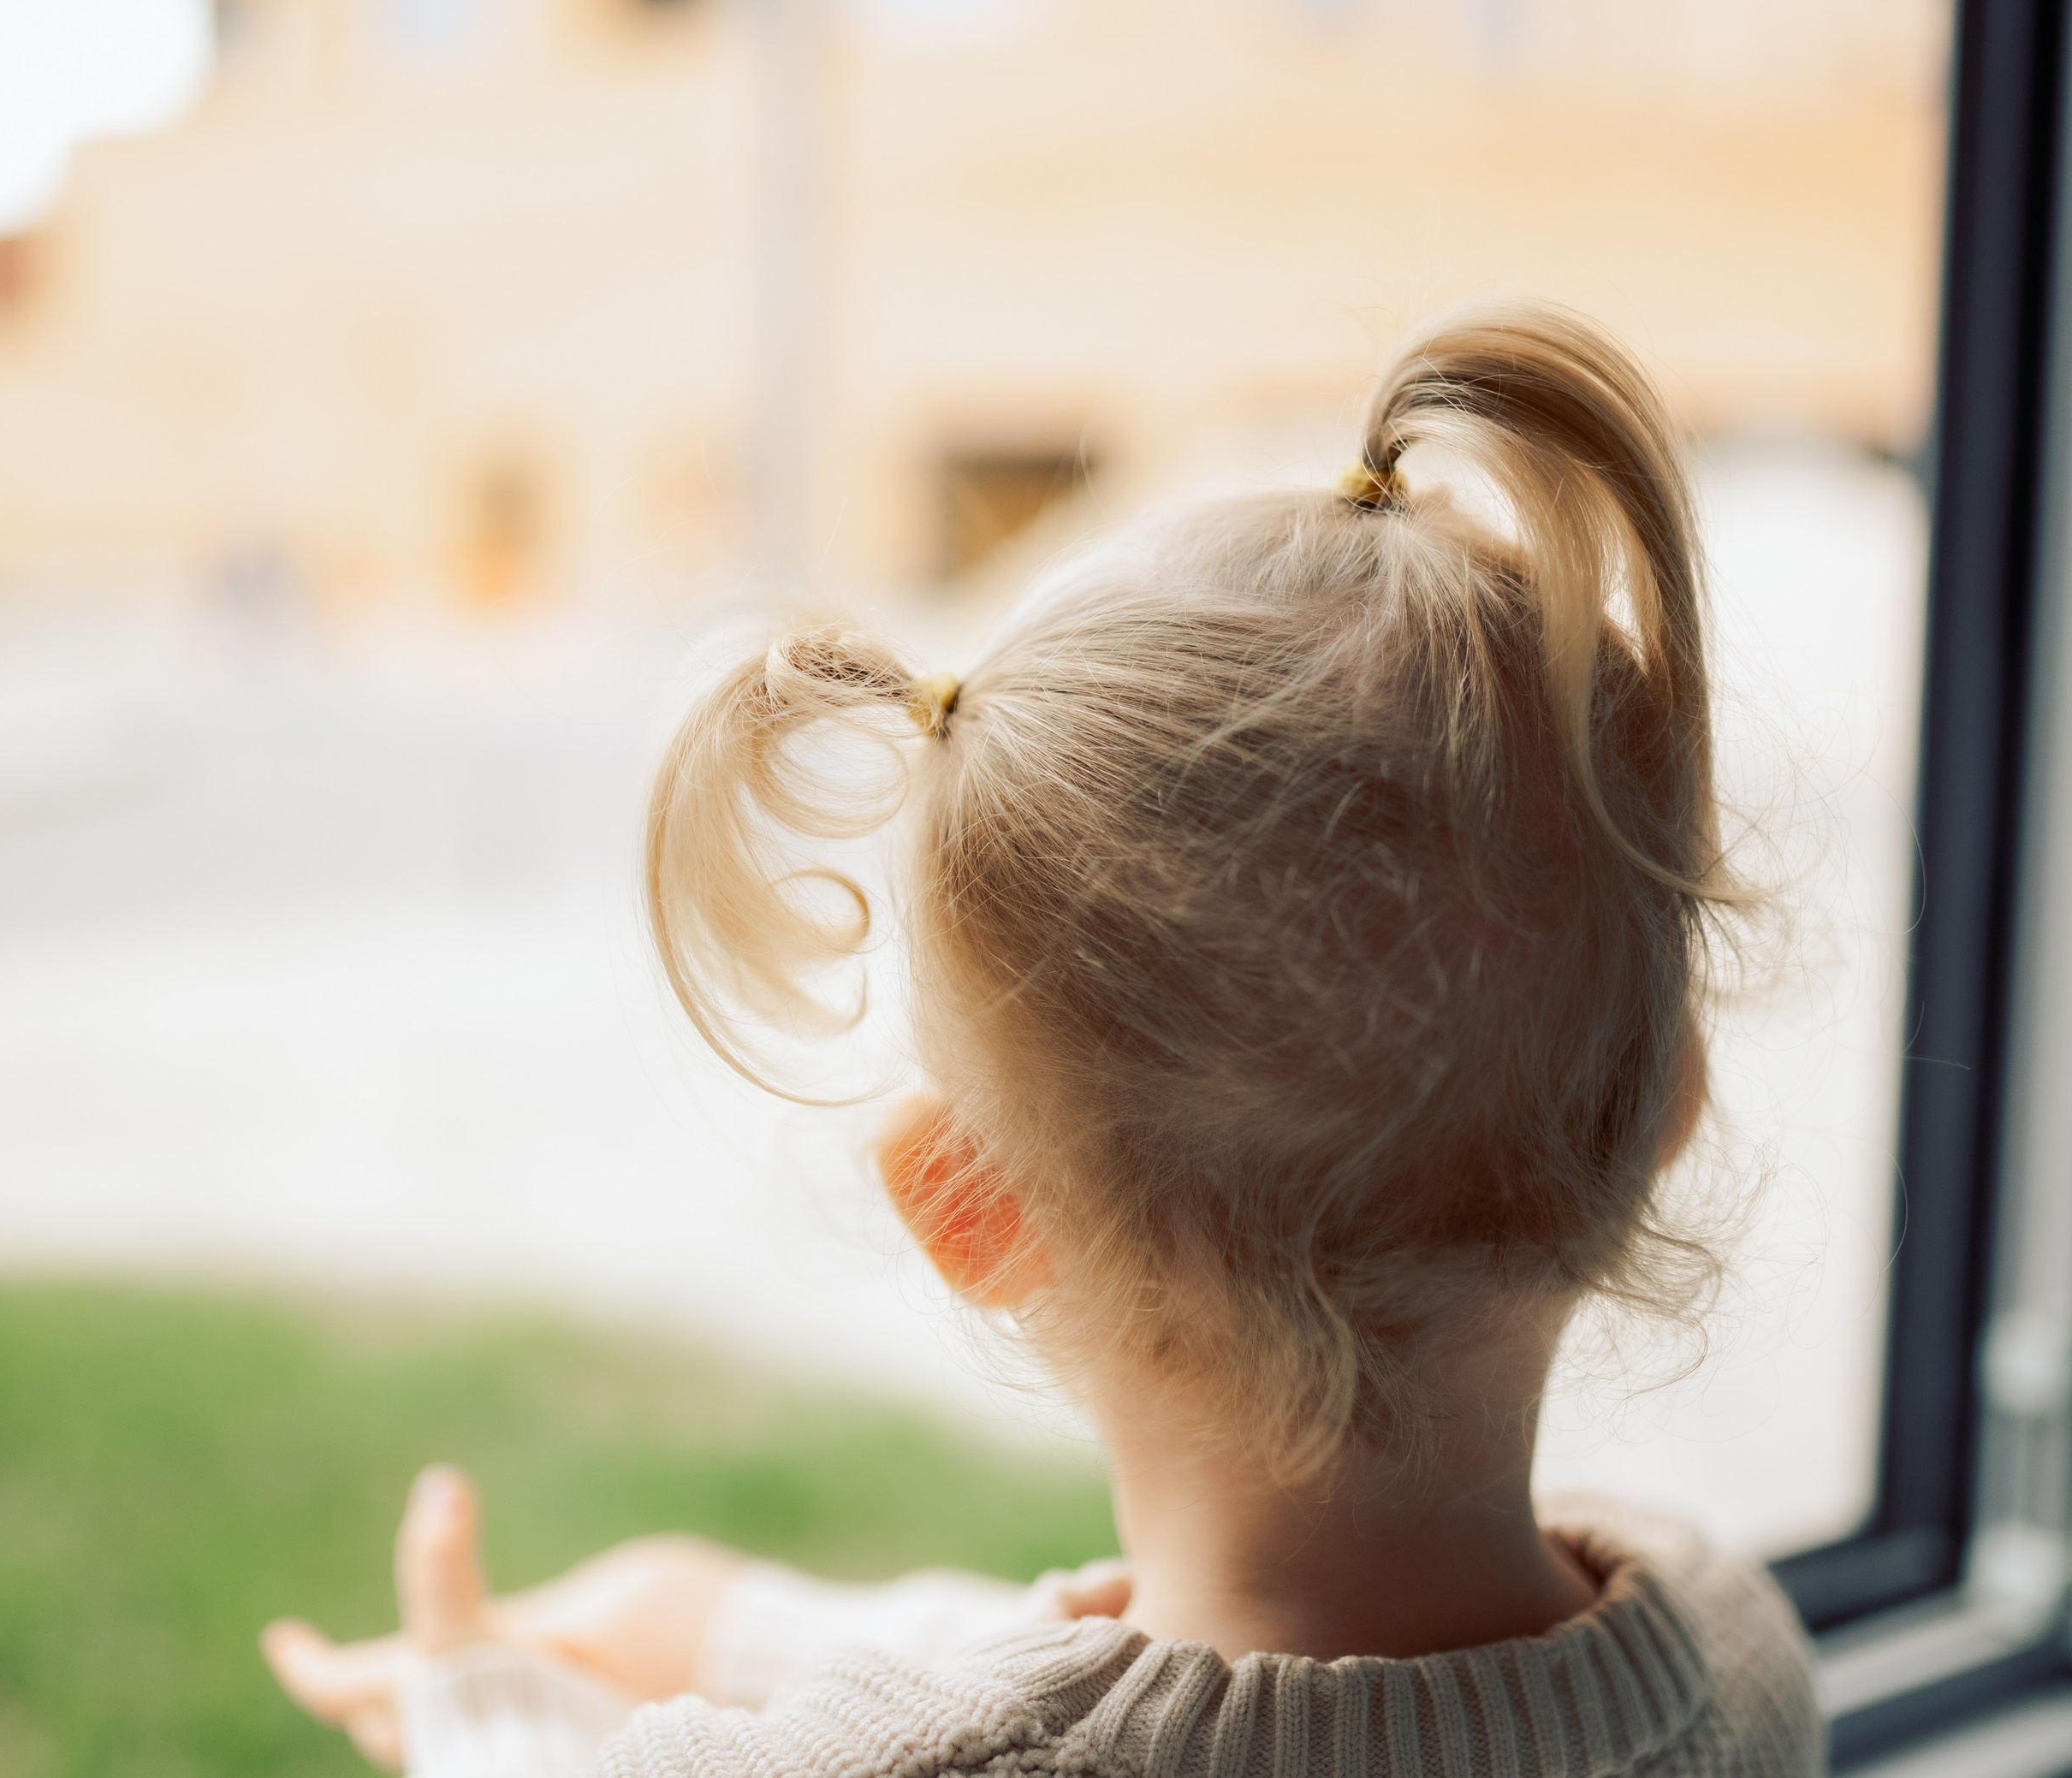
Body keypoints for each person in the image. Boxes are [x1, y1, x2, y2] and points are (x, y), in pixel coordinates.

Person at [264, 303, 1822, 1777]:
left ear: (966, 1203)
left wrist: (471, 1698)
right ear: (1668, 1098)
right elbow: (1199, 1684)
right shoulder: (1734, 1645)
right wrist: (723, 1617)